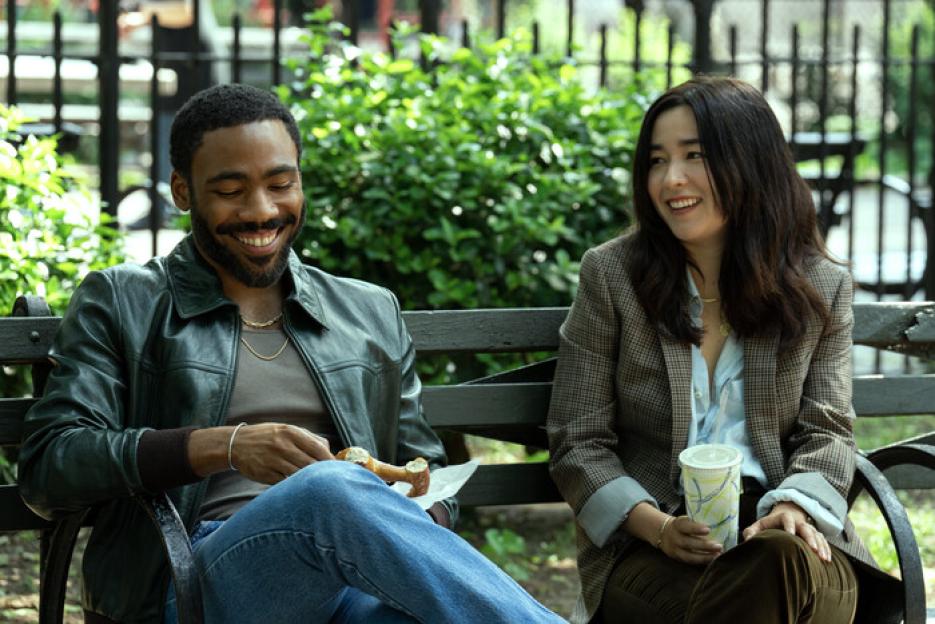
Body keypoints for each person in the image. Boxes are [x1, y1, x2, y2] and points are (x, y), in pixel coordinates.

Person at [19, 83, 564, 624]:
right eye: (231, 191)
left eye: (281, 184)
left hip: (350, 572)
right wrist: (226, 447)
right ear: (182, 191)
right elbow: (51, 465)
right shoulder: (123, 300)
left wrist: (415, 514)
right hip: (188, 582)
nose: (261, 211)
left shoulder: (368, 311)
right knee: (330, 491)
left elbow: (426, 467)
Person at [546, 76, 883, 624]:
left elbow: (828, 430)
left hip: (792, 539)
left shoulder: (819, 285)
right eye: (656, 160)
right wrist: (656, 528)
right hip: (657, 543)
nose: (670, 179)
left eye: (694, 156)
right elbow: (576, 440)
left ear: (750, 161)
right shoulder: (613, 276)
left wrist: (794, 505)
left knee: (775, 564)